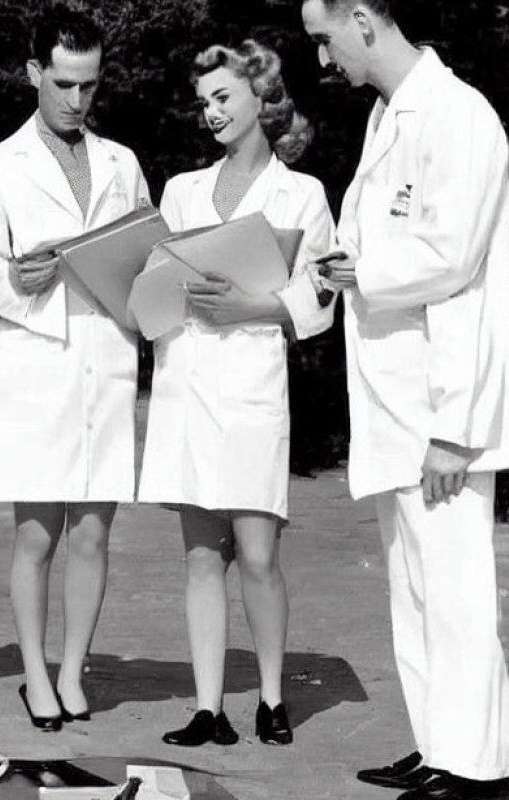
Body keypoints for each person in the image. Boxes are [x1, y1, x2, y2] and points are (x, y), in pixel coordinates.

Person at [299, 1, 509, 798]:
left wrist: (455, 430)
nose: (323, 60)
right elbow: (391, 241)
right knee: (414, 585)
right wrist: (346, 262)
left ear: (362, 17)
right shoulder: (388, 115)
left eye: (325, 39)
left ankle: (476, 766)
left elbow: (458, 268)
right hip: (396, 399)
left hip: (443, 404)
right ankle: (438, 742)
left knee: (457, 588)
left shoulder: (459, 115)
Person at [0, 6, 150, 732]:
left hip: (105, 358)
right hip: (37, 367)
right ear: (35, 73)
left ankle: (72, 671)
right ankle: (33, 673)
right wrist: (17, 278)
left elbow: (146, 253)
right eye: (63, 83)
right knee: (36, 535)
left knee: (94, 534)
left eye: (90, 85)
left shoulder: (124, 163)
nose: (77, 100)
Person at [137, 39, 336, 747]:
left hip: (253, 382)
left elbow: (319, 298)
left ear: (261, 97)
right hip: (188, 381)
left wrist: (251, 308)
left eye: (223, 97)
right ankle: (206, 706)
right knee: (198, 556)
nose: (211, 112)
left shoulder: (302, 194)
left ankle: (273, 699)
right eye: (204, 103)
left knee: (257, 554)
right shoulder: (182, 191)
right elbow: (152, 288)